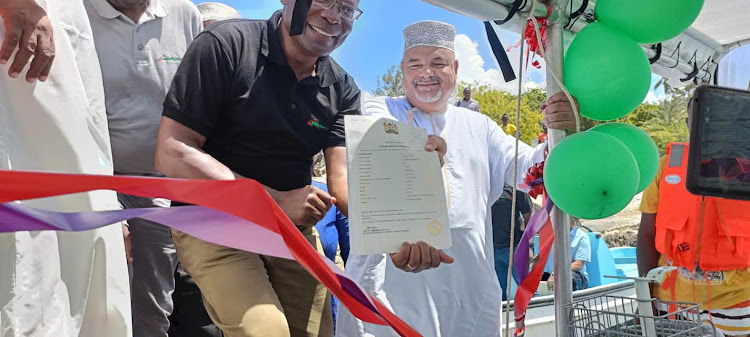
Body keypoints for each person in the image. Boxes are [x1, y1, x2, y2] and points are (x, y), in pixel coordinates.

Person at [154, 1, 448, 336]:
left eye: (348, 8)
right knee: (264, 330)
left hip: (289, 232)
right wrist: (275, 201)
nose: (334, 15)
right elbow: (172, 151)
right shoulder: (227, 44)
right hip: (211, 220)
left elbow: (341, 182)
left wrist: (395, 233)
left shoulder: (341, 88)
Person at [336, 20, 577, 337]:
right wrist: (413, 150)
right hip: (389, 294)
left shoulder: (480, 126)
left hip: (467, 295)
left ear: (456, 66)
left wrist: (561, 133)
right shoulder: (378, 108)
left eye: (438, 63)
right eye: (415, 64)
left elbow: (531, 170)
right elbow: (380, 136)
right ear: (403, 69)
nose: (426, 73)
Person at [0, 0, 131, 336]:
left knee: (79, 259)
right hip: (20, 33)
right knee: (26, 258)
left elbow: (90, 136)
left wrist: (111, 206)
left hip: (58, 35)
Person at [82, 0, 202, 335]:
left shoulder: (184, 14)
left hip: (160, 190)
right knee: (88, 299)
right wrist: (104, 202)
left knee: (151, 309)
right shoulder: (76, 11)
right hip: (88, 183)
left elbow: (195, 101)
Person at [637, 99, 750, 337]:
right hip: (671, 301)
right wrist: (646, 300)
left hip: (738, 302)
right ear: (689, 123)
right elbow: (646, 234)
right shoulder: (664, 167)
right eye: (702, 119)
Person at [492, 185, 532, 301]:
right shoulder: (486, 185)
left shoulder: (516, 187)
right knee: (498, 296)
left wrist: (529, 246)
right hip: (491, 251)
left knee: (527, 289)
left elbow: (529, 219)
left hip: (515, 248)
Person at [544, 217, 591, 291]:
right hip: (552, 275)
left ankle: (568, 302)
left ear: (573, 219)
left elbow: (578, 265)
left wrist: (556, 274)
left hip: (576, 275)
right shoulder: (552, 236)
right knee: (532, 279)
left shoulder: (582, 237)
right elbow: (541, 257)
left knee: (566, 279)